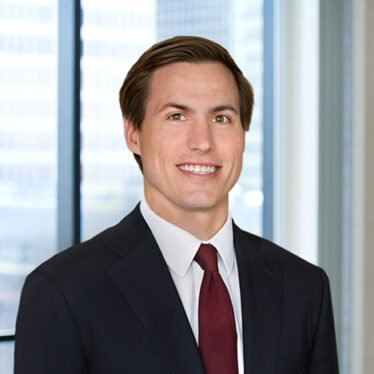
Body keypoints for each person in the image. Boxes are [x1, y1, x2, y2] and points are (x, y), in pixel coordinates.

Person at [14, 36, 339, 374]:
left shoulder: (304, 287)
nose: (202, 142)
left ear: (243, 133)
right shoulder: (63, 293)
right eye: (176, 116)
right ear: (134, 134)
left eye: (221, 119)